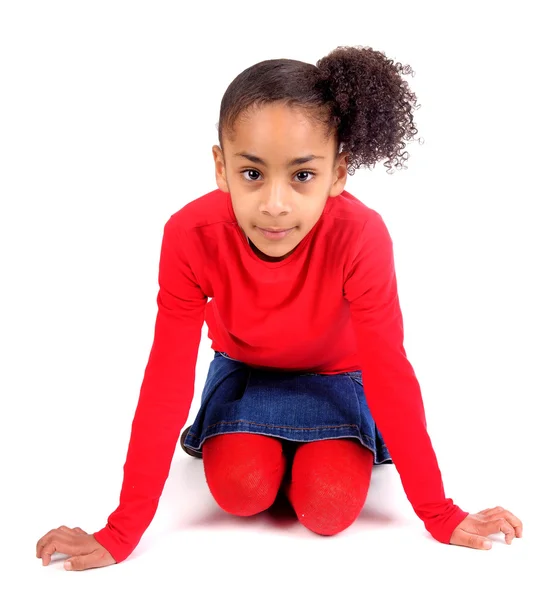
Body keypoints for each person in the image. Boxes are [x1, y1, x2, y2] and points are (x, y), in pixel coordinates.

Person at [36, 45, 523, 571]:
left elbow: (388, 371)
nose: (274, 204)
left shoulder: (361, 237)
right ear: (221, 166)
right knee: (240, 491)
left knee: (329, 508)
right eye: (252, 174)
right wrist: (122, 529)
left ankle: (317, 449)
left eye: (302, 175)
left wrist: (440, 513)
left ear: (339, 173)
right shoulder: (189, 235)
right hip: (246, 374)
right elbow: (166, 376)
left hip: (339, 378)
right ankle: (260, 443)